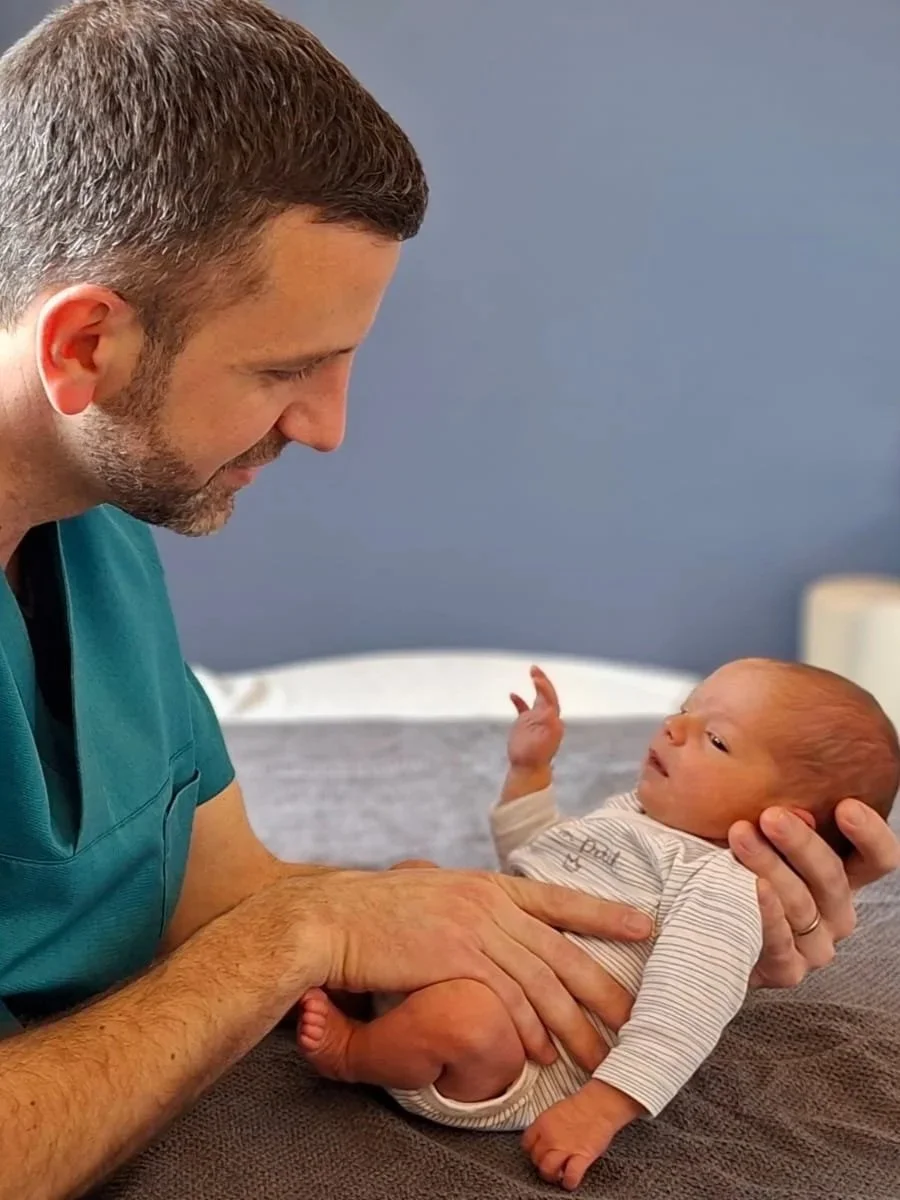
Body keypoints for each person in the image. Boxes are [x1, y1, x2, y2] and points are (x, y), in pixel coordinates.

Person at [0, 2, 895, 1197]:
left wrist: (645, 932)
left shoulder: (98, 534)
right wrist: (300, 937)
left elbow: (209, 894)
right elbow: (264, 931)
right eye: (286, 371)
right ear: (83, 350)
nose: (328, 429)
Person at [298, 660, 900, 1190]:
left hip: (522, 1054)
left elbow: (683, 1013)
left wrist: (601, 1108)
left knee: (464, 1019)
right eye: (685, 709)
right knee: (411, 878)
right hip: (479, 958)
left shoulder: (723, 886)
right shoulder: (635, 816)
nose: (675, 727)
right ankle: (354, 985)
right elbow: (536, 859)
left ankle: (354, 1052)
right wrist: (529, 771)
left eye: (715, 740)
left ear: (781, 820)